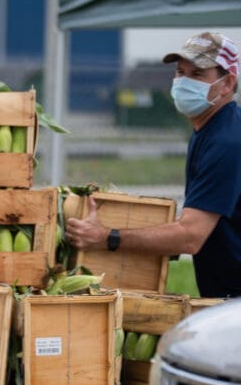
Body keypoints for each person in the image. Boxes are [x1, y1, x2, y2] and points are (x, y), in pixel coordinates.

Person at [65, 32, 241, 298]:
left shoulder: (227, 141)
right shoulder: (211, 129)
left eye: (197, 75)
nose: (184, 82)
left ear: (227, 84)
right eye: (180, 72)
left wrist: (107, 237)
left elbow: (191, 236)